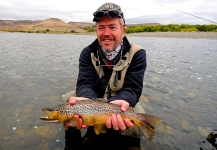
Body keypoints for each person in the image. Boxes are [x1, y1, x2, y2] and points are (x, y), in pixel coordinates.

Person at [64, 2, 147, 150]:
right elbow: (85, 83)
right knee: (68, 104)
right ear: (96, 31)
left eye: (112, 27)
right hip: (94, 98)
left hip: (121, 100)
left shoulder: (138, 53)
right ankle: (73, 144)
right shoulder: (87, 52)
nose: (106, 33)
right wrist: (87, 102)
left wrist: (123, 101)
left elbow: (133, 88)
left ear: (123, 30)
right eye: (101, 27)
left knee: (136, 123)